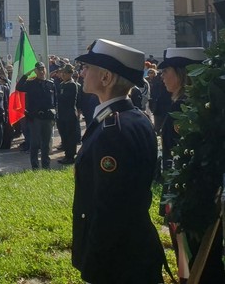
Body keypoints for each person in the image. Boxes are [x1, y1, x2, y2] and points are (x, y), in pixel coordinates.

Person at [72, 39, 167, 283]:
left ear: (106, 78)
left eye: (88, 68)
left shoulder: (113, 130)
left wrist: (94, 262)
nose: (82, 73)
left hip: (119, 261)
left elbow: (109, 209)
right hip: (134, 250)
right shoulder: (133, 116)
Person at [158, 47, 223, 282]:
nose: (162, 75)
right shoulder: (190, 105)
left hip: (189, 201)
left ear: (184, 73)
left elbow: (181, 158)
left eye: (167, 71)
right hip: (187, 198)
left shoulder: (185, 108)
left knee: (196, 263)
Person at [16, 62, 56, 170]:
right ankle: (35, 166)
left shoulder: (50, 84)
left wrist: (55, 114)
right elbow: (19, 87)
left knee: (46, 144)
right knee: (34, 143)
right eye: (39, 70)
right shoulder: (30, 84)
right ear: (36, 71)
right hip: (35, 117)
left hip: (47, 118)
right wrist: (26, 75)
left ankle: (46, 166)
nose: (42, 72)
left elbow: (55, 101)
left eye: (43, 69)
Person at [56, 64, 80, 165]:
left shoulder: (72, 85)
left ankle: (70, 156)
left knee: (70, 136)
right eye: (62, 73)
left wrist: (57, 97)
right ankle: (66, 154)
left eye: (65, 73)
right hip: (61, 114)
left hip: (69, 114)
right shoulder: (62, 84)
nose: (63, 75)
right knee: (64, 135)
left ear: (70, 74)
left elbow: (66, 99)